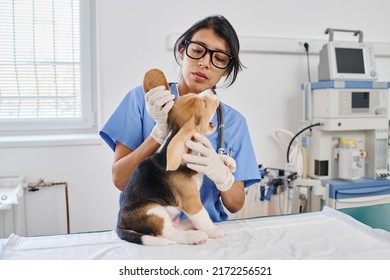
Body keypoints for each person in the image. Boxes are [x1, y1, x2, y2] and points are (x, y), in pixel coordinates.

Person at [100, 15, 260, 222]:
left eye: (219, 58)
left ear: (226, 70)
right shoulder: (143, 100)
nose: (204, 63)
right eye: (197, 51)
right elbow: (121, 180)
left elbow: (235, 204)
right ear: (182, 51)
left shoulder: (234, 122)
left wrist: (221, 174)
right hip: (149, 232)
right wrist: (160, 133)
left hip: (205, 234)